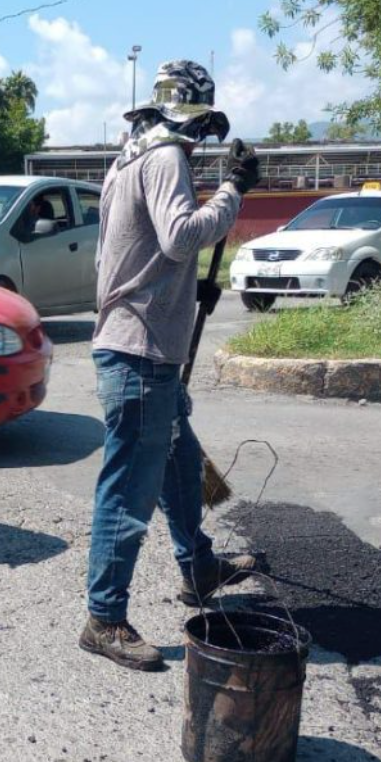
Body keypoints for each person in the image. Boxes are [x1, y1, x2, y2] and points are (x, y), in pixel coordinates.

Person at [79, 60, 263, 672]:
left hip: (140, 342)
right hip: (140, 352)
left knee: (184, 465)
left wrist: (186, 291)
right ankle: (104, 617)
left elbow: (140, 254)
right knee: (128, 488)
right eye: (202, 129)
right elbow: (181, 237)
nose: (202, 142)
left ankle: (199, 565)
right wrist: (234, 190)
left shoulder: (128, 159)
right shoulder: (164, 160)